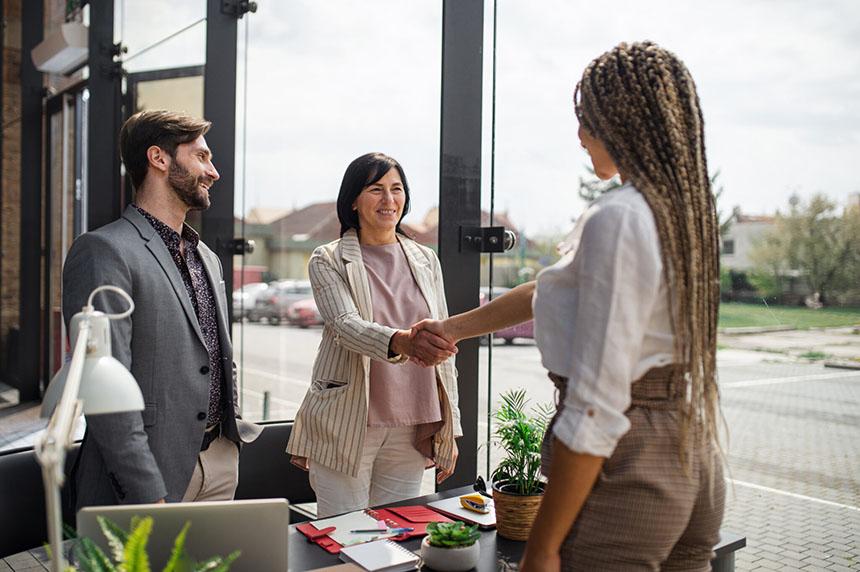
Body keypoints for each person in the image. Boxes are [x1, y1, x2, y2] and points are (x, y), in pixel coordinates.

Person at [413, 41, 725, 570]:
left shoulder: (619, 218)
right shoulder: (683, 212)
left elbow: (597, 404)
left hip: (627, 466)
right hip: (690, 452)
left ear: (623, 123)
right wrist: (452, 329)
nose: (580, 137)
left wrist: (543, 544)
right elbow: (547, 292)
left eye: (588, 121)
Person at [62, 110, 262, 508]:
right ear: (159, 158)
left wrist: (229, 444)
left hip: (220, 462)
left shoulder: (206, 257)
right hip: (151, 478)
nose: (214, 171)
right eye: (202, 156)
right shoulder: (103, 251)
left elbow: (218, 355)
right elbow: (104, 390)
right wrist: (145, 490)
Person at [286, 152, 461, 518]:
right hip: (349, 419)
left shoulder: (426, 259)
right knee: (346, 536)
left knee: (397, 534)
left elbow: (445, 346)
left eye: (397, 189)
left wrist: (451, 424)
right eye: (376, 189)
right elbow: (346, 325)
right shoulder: (328, 259)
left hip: (413, 421)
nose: (389, 200)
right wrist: (402, 341)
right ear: (353, 199)